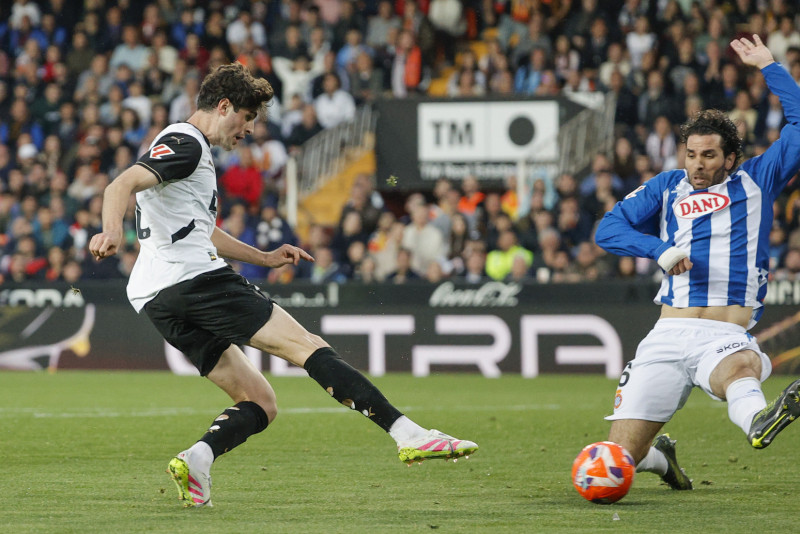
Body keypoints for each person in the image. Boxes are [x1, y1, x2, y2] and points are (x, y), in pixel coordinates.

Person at [88, 63, 478, 508]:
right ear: (223, 106)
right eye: (247, 118)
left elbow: (200, 229)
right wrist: (111, 231)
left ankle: (196, 460)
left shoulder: (181, 147)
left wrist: (264, 258)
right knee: (307, 346)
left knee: (260, 400)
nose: (250, 130)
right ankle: (408, 434)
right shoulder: (187, 143)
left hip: (157, 296)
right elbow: (120, 184)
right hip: (195, 279)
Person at [594, 35, 800, 492]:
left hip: (725, 335)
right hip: (668, 334)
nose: (698, 165)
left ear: (730, 157)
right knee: (613, 469)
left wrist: (770, 66)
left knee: (741, 368)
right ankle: (660, 460)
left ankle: (759, 420)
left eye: (708, 155)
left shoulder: (758, 179)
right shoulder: (668, 185)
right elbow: (608, 229)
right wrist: (659, 250)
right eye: (691, 155)